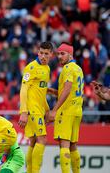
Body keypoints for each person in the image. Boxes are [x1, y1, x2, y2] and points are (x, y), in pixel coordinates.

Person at [17, 41, 54, 173]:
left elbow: (41, 92)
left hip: (39, 109)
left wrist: (48, 110)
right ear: (38, 52)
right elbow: (24, 90)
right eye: (41, 53)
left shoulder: (47, 69)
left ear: (51, 55)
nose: (43, 56)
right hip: (31, 109)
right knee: (42, 139)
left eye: (46, 54)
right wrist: (24, 112)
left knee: (33, 142)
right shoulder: (31, 68)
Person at [48, 43, 83, 173]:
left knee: (64, 144)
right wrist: (55, 92)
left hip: (67, 111)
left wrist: (55, 110)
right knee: (73, 145)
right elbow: (72, 90)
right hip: (77, 111)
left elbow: (67, 89)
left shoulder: (67, 68)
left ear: (70, 54)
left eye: (63, 54)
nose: (59, 56)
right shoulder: (78, 69)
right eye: (58, 54)